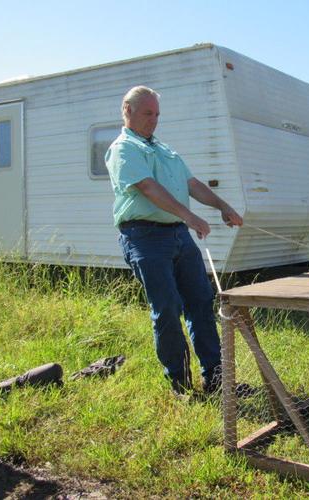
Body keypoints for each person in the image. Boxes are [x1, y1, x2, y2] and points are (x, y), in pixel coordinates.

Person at [105, 86, 243, 398]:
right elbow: (148, 188)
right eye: (146, 113)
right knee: (167, 308)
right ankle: (180, 385)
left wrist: (223, 206)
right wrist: (190, 217)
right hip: (144, 237)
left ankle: (217, 380)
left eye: (156, 114)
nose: (153, 120)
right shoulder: (123, 148)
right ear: (127, 111)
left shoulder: (165, 150)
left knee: (200, 303)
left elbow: (192, 184)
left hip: (177, 235)